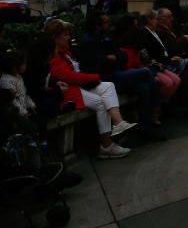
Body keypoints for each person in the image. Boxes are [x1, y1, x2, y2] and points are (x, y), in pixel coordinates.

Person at [45, 20, 137, 158]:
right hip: (69, 91)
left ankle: (118, 122)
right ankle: (107, 145)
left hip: (78, 86)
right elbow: (70, 77)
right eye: (65, 35)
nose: (69, 37)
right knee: (101, 102)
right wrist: (93, 77)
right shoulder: (54, 56)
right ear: (55, 38)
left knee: (109, 86)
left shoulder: (66, 51)